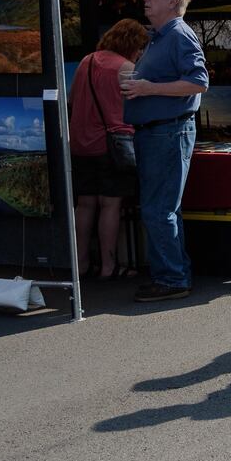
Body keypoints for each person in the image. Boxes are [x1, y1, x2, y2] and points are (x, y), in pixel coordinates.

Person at [122, 0, 210, 303]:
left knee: (159, 209)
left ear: (173, 1)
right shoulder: (159, 37)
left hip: (167, 132)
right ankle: (172, 273)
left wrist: (148, 88)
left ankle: (172, 278)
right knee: (163, 208)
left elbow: (199, 83)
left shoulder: (178, 34)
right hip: (157, 132)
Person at [69, 19, 149, 280]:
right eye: (139, 48)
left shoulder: (86, 61)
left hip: (81, 144)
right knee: (110, 205)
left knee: (85, 204)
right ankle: (109, 266)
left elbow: (72, 100)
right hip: (112, 145)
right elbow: (136, 107)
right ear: (132, 44)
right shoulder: (126, 67)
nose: (140, 53)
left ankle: (80, 264)